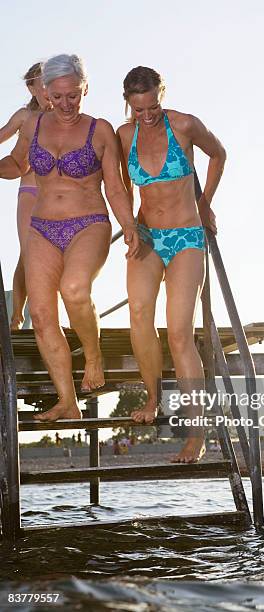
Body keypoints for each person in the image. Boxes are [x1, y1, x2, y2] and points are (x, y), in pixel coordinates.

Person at [0, 54, 139, 421]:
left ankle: (93, 356)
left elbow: (117, 187)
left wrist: (129, 227)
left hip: (88, 222)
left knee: (74, 288)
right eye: (57, 96)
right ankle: (68, 402)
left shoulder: (101, 129)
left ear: (85, 89)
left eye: (73, 95)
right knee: (43, 316)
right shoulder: (33, 126)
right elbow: (17, 165)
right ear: (45, 91)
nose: (65, 104)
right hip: (42, 227)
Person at [117, 66, 226, 463]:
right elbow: (121, 187)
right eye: (137, 108)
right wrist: (129, 226)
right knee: (139, 313)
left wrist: (204, 202)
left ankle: (196, 433)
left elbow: (219, 154)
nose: (145, 116)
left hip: (185, 238)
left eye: (152, 106)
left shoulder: (184, 125)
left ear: (161, 95)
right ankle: (153, 397)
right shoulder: (124, 135)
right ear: (128, 102)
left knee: (179, 333)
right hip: (148, 236)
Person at [0, 62, 50, 329]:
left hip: (59, 196)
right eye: (39, 82)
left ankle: (52, 315)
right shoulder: (24, 117)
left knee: (55, 255)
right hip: (30, 191)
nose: (45, 88)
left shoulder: (68, 115)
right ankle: (17, 316)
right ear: (31, 87)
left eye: (49, 81)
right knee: (30, 253)